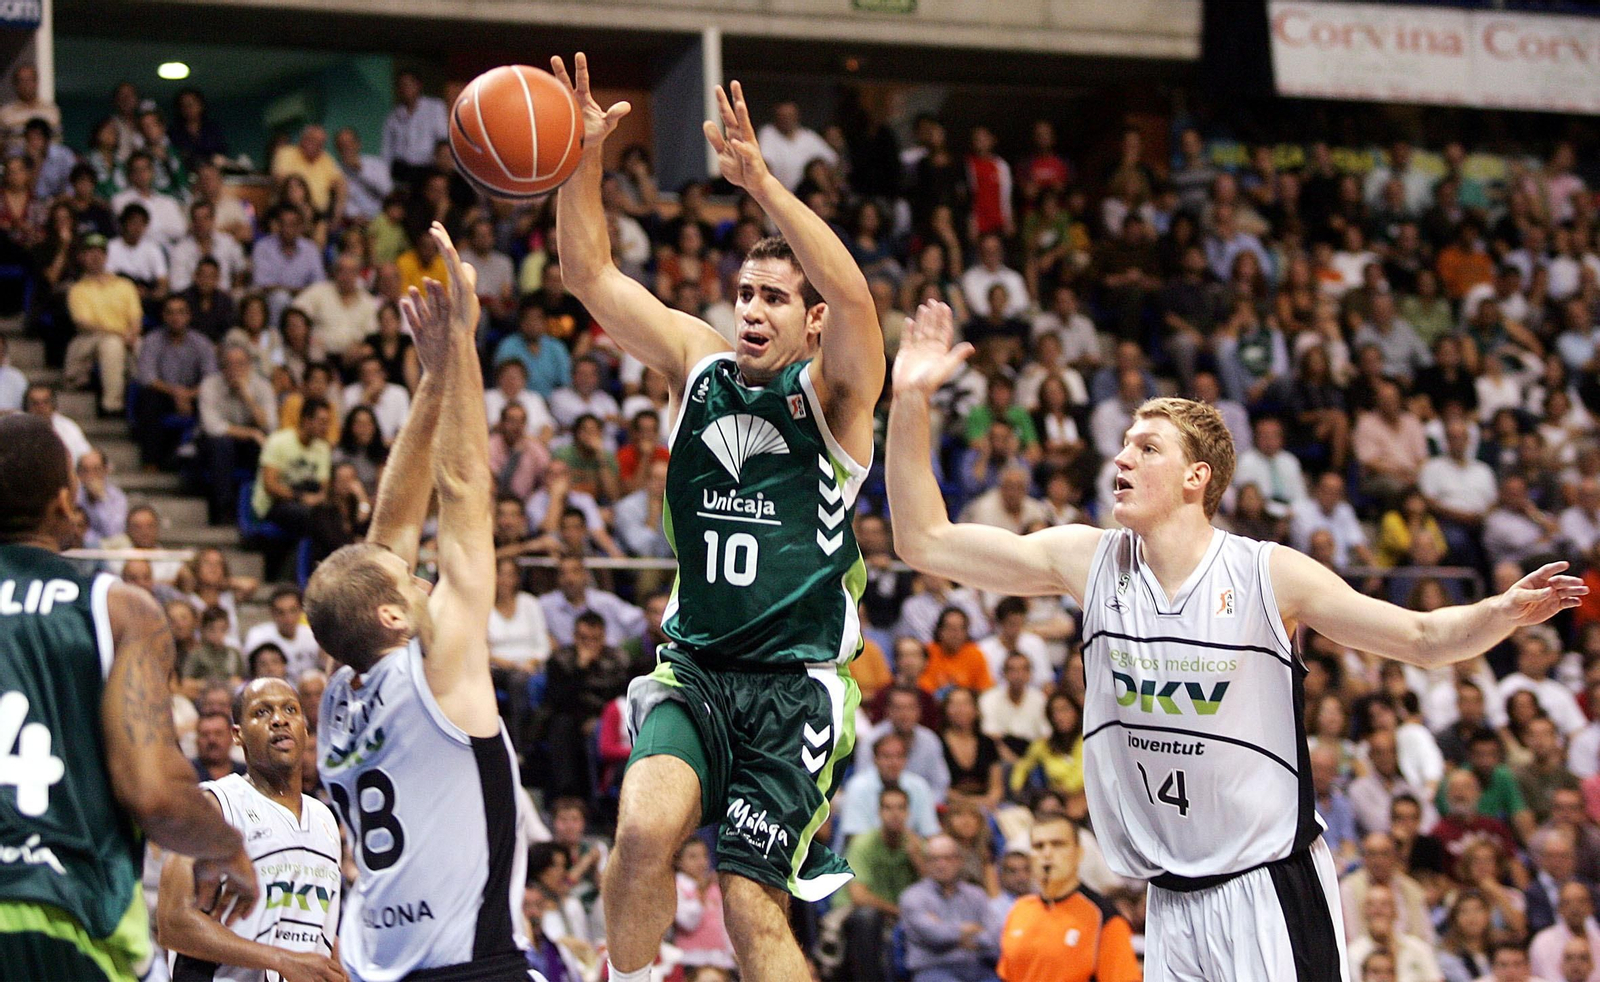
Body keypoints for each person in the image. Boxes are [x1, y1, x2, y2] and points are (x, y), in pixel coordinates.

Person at [885, 299, 1588, 982]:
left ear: (1197, 478)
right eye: (1124, 443)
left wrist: (1500, 611)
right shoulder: (1087, 560)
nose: (1122, 457)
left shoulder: (1265, 574)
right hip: (1169, 898)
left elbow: (1424, 637)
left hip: (1268, 888)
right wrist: (911, 398)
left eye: (1147, 447)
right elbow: (925, 542)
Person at [552, 54, 886, 982]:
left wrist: (765, 185)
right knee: (639, 834)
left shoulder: (836, 397)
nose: (751, 311)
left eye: (774, 297)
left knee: (748, 903)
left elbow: (857, 297)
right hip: (696, 666)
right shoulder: (696, 367)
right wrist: (582, 158)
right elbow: (588, 273)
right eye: (744, 293)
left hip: (793, 690)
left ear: (811, 323)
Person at [306, 224, 528, 979]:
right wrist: (461, 346)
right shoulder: (440, 672)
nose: (424, 577)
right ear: (394, 616)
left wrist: (430, 381)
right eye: (411, 581)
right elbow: (462, 489)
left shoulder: (336, 698)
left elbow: (389, 530)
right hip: (469, 963)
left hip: (380, 966)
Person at [0, 413, 258, 982]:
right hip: (65, 916)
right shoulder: (118, 608)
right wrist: (225, 846)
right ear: (65, 501)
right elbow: (154, 793)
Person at [157, 677, 344, 981]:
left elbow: (314, 928)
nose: (279, 720)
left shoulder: (325, 819)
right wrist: (281, 960)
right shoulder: (214, 806)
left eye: (290, 710)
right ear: (238, 735)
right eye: (262, 712)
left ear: (305, 728)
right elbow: (173, 922)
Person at [997, 816, 1139, 982]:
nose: (1047, 854)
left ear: (1078, 853)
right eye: (1038, 846)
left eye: (1058, 844)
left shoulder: (1104, 916)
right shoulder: (1020, 909)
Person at [899, 834, 999, 982]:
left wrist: (948, 930)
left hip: (978, 969)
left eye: (948, 858)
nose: (941, 865)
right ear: (926, 863)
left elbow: (994, 936)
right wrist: (970, 929)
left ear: (959, 861)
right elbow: (936, 935)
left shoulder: (976, 895)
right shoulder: (913, 897)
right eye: (934, 859)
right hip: (934, 971)